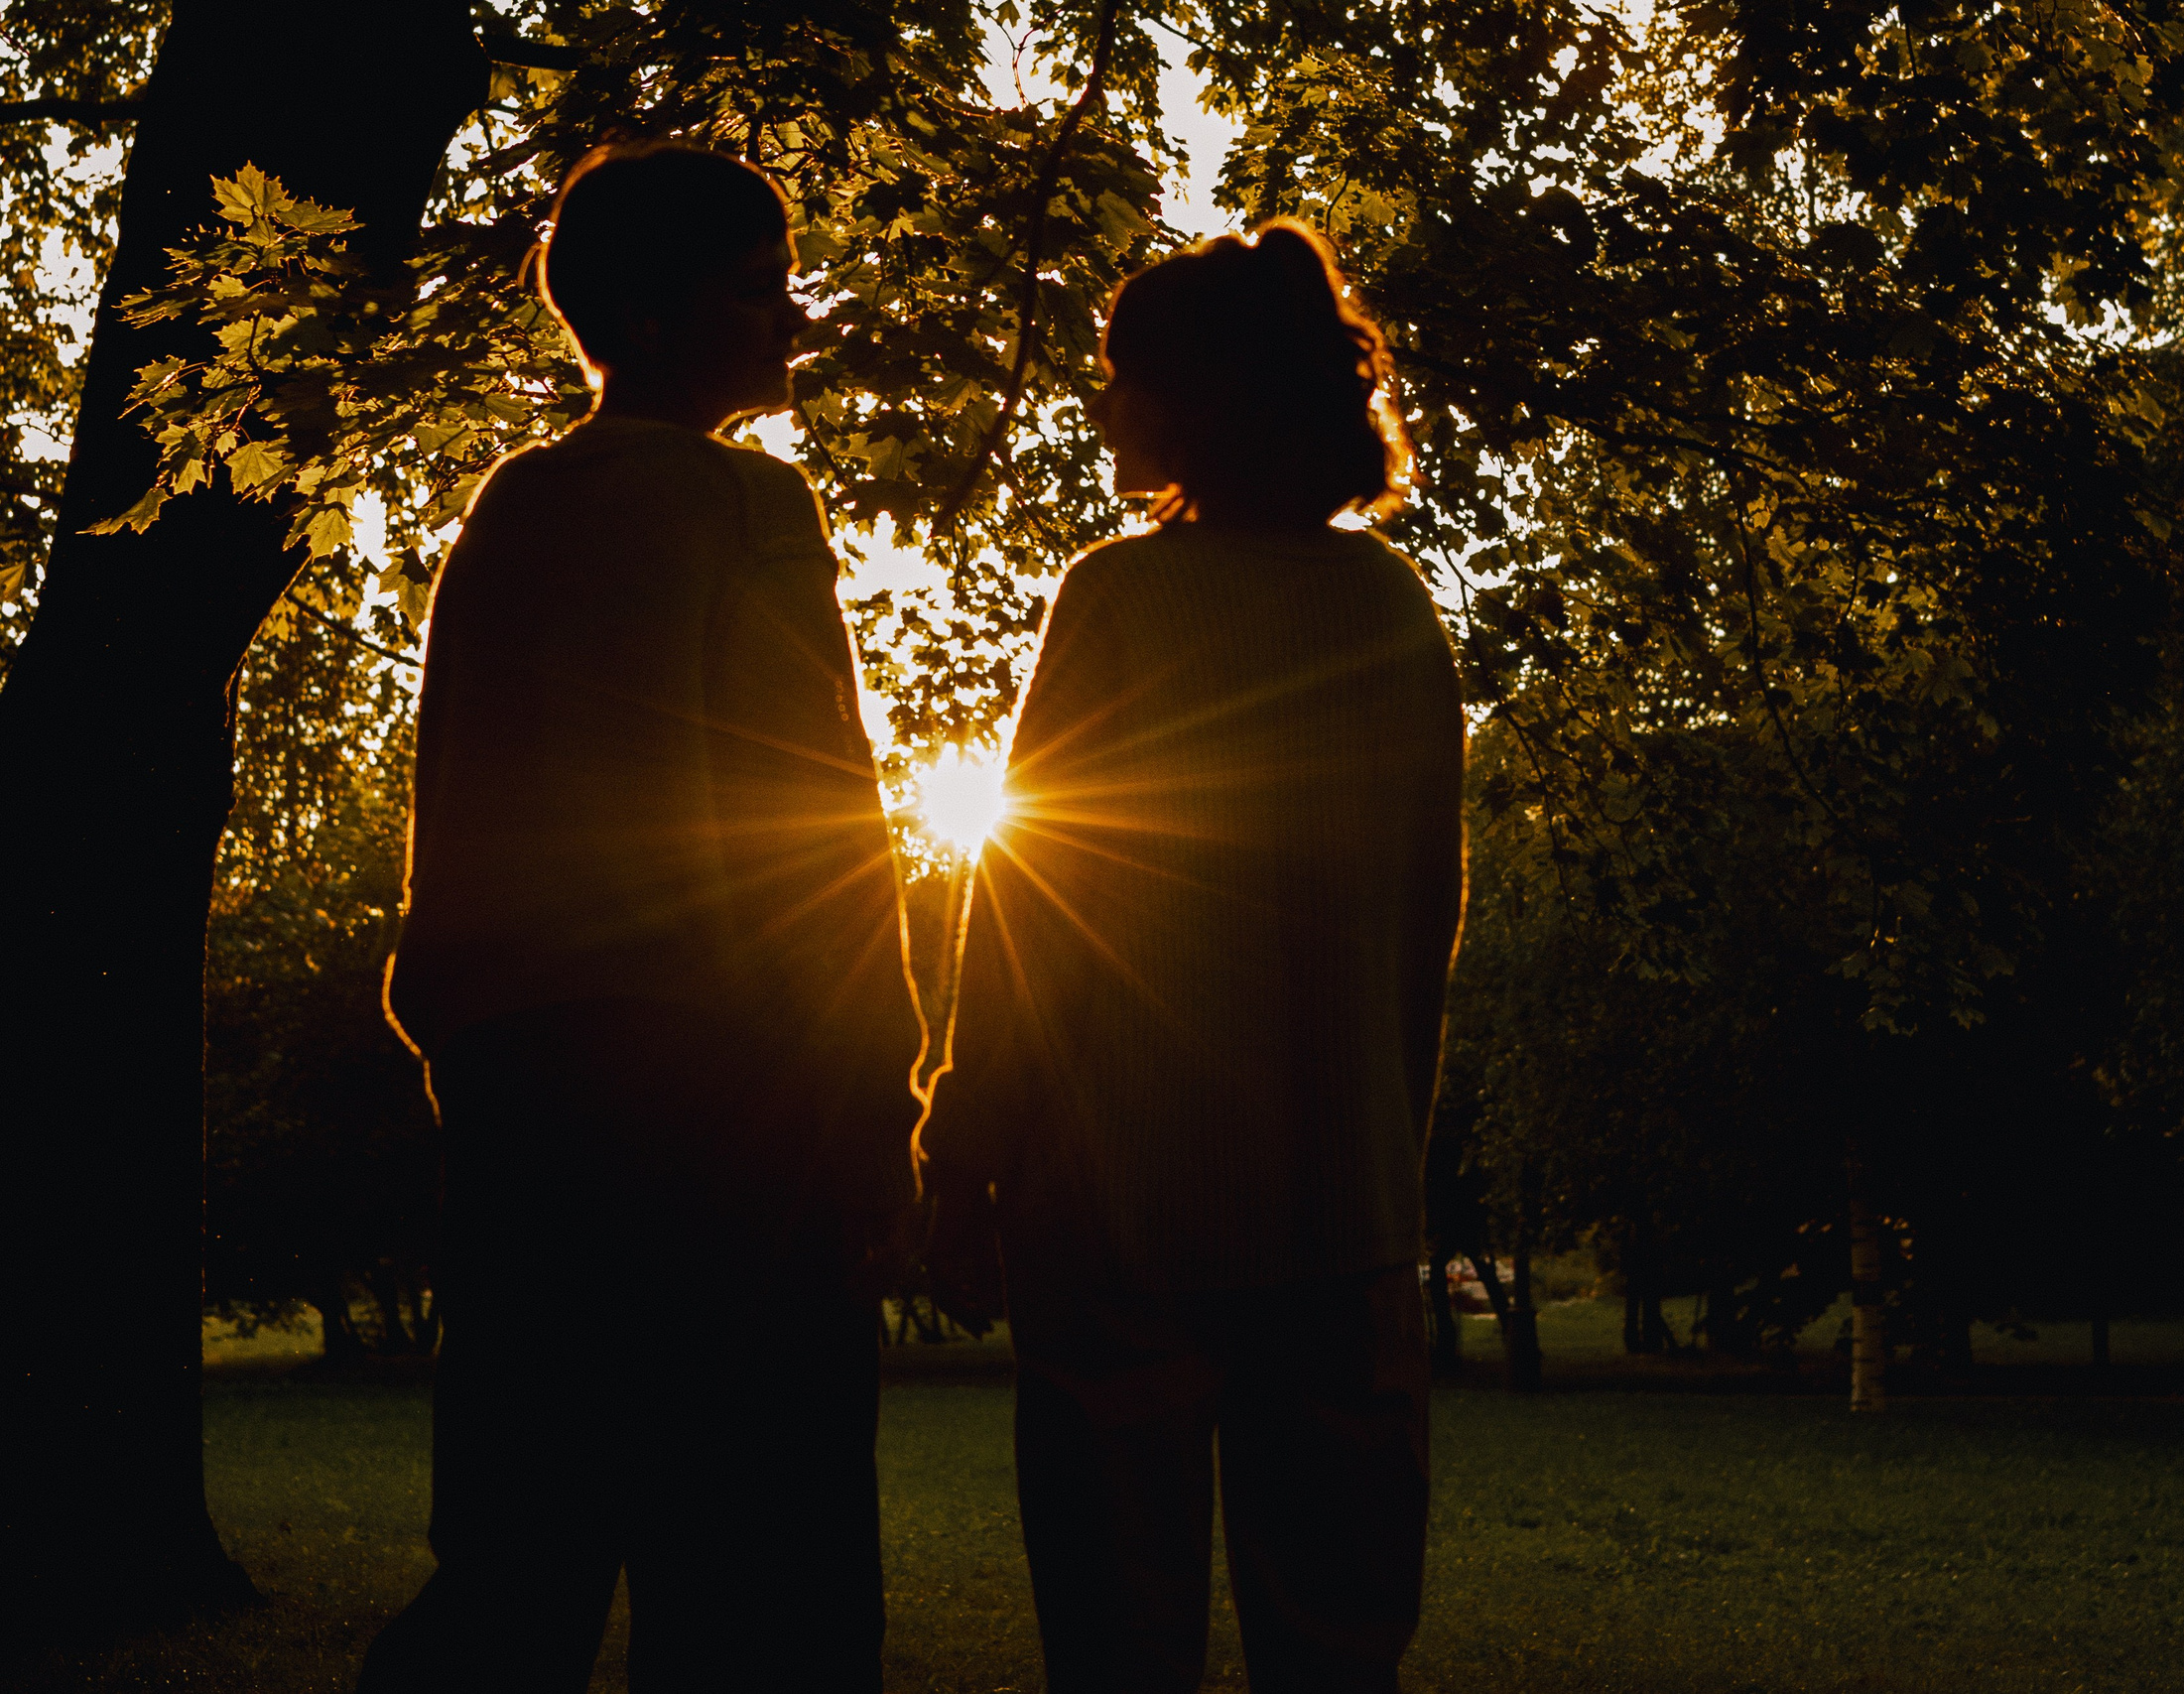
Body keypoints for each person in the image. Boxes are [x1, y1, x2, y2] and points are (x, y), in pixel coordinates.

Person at [361, 142, 925, 1693]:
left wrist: (468, 1042)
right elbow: (819, 821)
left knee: (515, 1557)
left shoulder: (511, 513)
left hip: (525, 1104)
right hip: (734, 1106)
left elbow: (453, 809)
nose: (791, 322)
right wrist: (879, 1098)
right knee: (766, 1575)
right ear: (663, 318)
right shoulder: (752, 510)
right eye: (761, 290)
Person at [923, 220, 1467, 1694]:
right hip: (1339, 1214)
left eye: (1119, 377)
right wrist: (1379, 1162)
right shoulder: (1393, 613)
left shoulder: (1124, 598)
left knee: (1118, 1637)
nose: (1099, 407)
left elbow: (1038, 897)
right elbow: (1425, 922)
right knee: (1339, 1639)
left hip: (1122, 1209)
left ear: (1197, 399)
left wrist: (962, 1143)